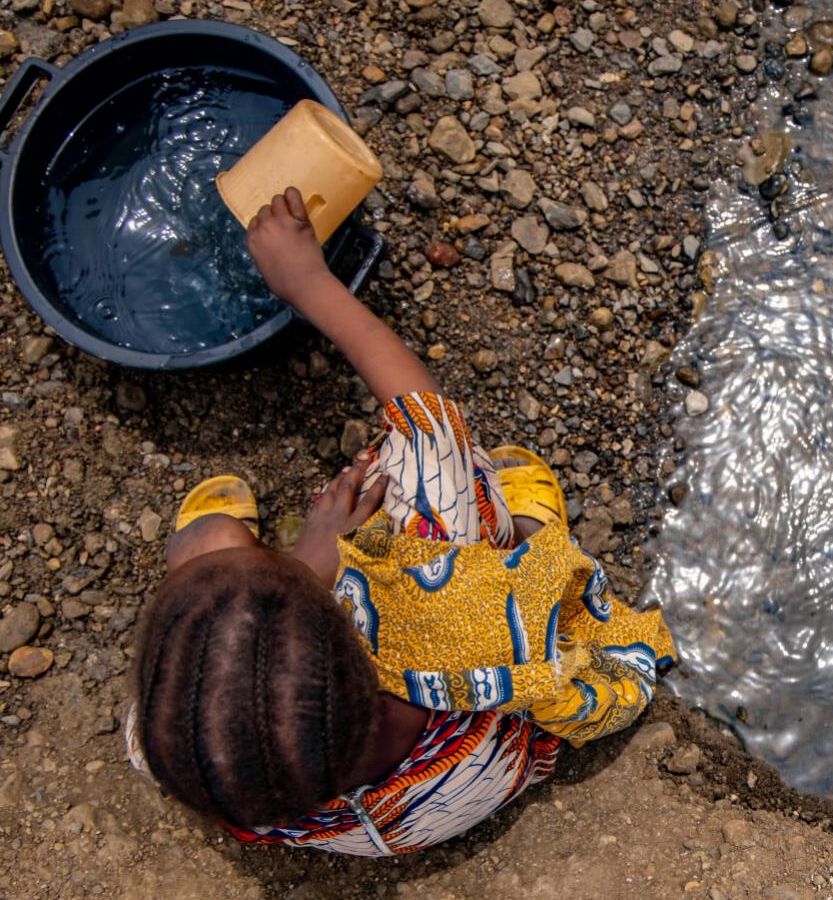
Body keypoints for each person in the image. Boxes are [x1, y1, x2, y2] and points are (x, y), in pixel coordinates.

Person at [126, 188, 676, 856]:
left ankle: (222, 556)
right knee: (481, 511)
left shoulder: (191, 759)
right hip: (468, 755)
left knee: (205, 544)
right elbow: (429, 424)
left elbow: (210, 708)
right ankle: (527, 525)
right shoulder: (442, 628)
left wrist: (288, 567)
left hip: (384, 822)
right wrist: (307, 282)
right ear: (351, 619)